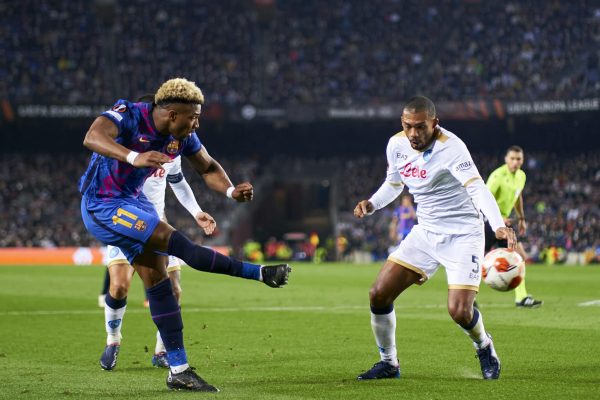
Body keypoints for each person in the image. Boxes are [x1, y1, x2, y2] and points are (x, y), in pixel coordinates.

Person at [79, 78, 291, 392]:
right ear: (172, 115)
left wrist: (230, 190)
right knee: (179, 245)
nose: (197, 123)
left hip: (134, 203)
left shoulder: (182, 137)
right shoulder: (129, 113)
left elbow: (206, 167)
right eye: (192, 117)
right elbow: (93, 136)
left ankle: (178, 370)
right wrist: (134, 157)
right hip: (103, 204)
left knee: (160, 282)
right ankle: (258, 273)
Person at [353, 96, 516, 381]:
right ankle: (389, 363)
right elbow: (394, 183)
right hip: (426, 231)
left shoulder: (452, 147)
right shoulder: (397, 145)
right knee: (378, 294)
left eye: (420, 127)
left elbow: (477, 187)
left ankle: (484, 346)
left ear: (434, 123)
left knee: (459, 311)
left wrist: (498, 225)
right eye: (407, 126)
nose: (413, 134)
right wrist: (372, 203)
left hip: (464, 233)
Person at [100, 154, 217, 371]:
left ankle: (161, 351)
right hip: (126, 223)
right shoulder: (130, 146)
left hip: (158, 227)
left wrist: (197, 211)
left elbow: (178, 181)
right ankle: (113, 340)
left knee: (174, 289)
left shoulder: (172, 150)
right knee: (118, 286)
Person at [484, 146, 542, 308]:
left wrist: (521, 217)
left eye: (519, 159)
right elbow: (484, 199)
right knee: (475, 260)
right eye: (512, 159)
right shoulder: (497, 176)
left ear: (522, 161)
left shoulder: (521, 176)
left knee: (519, 257)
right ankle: (468, 297)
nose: (515, 162)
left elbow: (518, 196)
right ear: (506, 159)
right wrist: (498, 217)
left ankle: (521, 298)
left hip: (506, 224)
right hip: (488, 222)